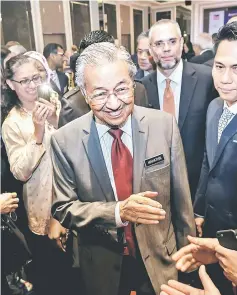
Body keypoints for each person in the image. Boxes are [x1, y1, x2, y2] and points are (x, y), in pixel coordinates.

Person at [51, 42, 195, 295]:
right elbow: (63, 208)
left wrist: (189, 260)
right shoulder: (65, 140)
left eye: (121, 89)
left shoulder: (163, 126)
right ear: (84, 94)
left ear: (133, 84)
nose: (114, 103)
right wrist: (118, 212)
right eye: (100, 94)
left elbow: (182, 202)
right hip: (102, 265)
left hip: (162, 256)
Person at [1, 54, 74, 295]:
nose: (32, 85)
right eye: (25, 81)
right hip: (43, 204)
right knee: (53, 275)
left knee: (81, 271)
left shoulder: (55, 101)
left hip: (75, 195)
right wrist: (38, 133)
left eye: (36, 78)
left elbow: (77, 144)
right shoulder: (12, 123)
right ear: (11, 84)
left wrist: (56, 118)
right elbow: (20, 172)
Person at [142, 19, 215, 201]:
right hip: (156, 190)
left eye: (172, 42)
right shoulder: (141, 89)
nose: (166, 49)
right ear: (151, 49)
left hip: (197, 186)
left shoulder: (207, 80)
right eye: (159, 44)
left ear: (182, 44)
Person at [194, 21, 237, 295]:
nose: (225, 79)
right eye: (219, 67)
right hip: (212, 227)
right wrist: (199, 210)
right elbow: (208, 164)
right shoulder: (213, 107)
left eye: (236, 69)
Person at [59, 31, 149, 127]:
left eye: (121, 89)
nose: (114, 105)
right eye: (100, 94)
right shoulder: (73, 103)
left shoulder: (139, 91)